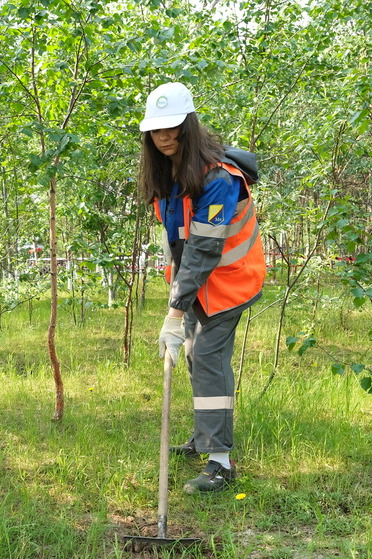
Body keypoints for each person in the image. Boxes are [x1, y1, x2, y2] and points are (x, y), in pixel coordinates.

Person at [137, 82, 266, 494]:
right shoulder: (170, 175)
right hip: (197, 286)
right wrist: (178, 301)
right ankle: (202, 440)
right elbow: (180, 243)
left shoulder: (219, 180)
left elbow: (205, 248)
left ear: (189, 125)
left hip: (229, 283)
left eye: (173, 127)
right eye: (156, 131)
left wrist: (174, 314)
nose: (165, 137)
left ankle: (221, 463)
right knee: (195, 359)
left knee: (207, 359)